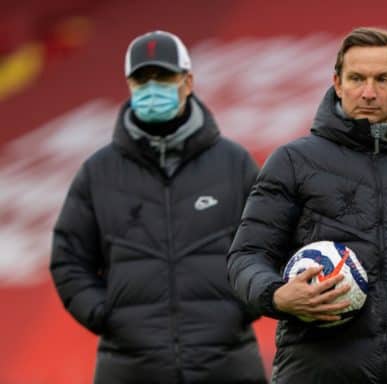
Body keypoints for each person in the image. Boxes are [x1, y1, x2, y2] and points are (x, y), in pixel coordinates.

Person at [227, 27, 387, 383]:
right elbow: (245, 258)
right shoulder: (292, 162)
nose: (368, 92)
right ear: (337, 82)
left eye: (382, 79)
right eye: (356, 78)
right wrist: (277, 296)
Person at [50, 30, 266, 384]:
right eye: (141, 79)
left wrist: (239, 310)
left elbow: (268, 244)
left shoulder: (234, 163)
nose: (152, 88)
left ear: (188, 81)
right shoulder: (98, 172)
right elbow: (68, 259)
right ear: (129, 85)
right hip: (129, 368)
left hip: (227, 363)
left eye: (163, 76)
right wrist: (106, 315)